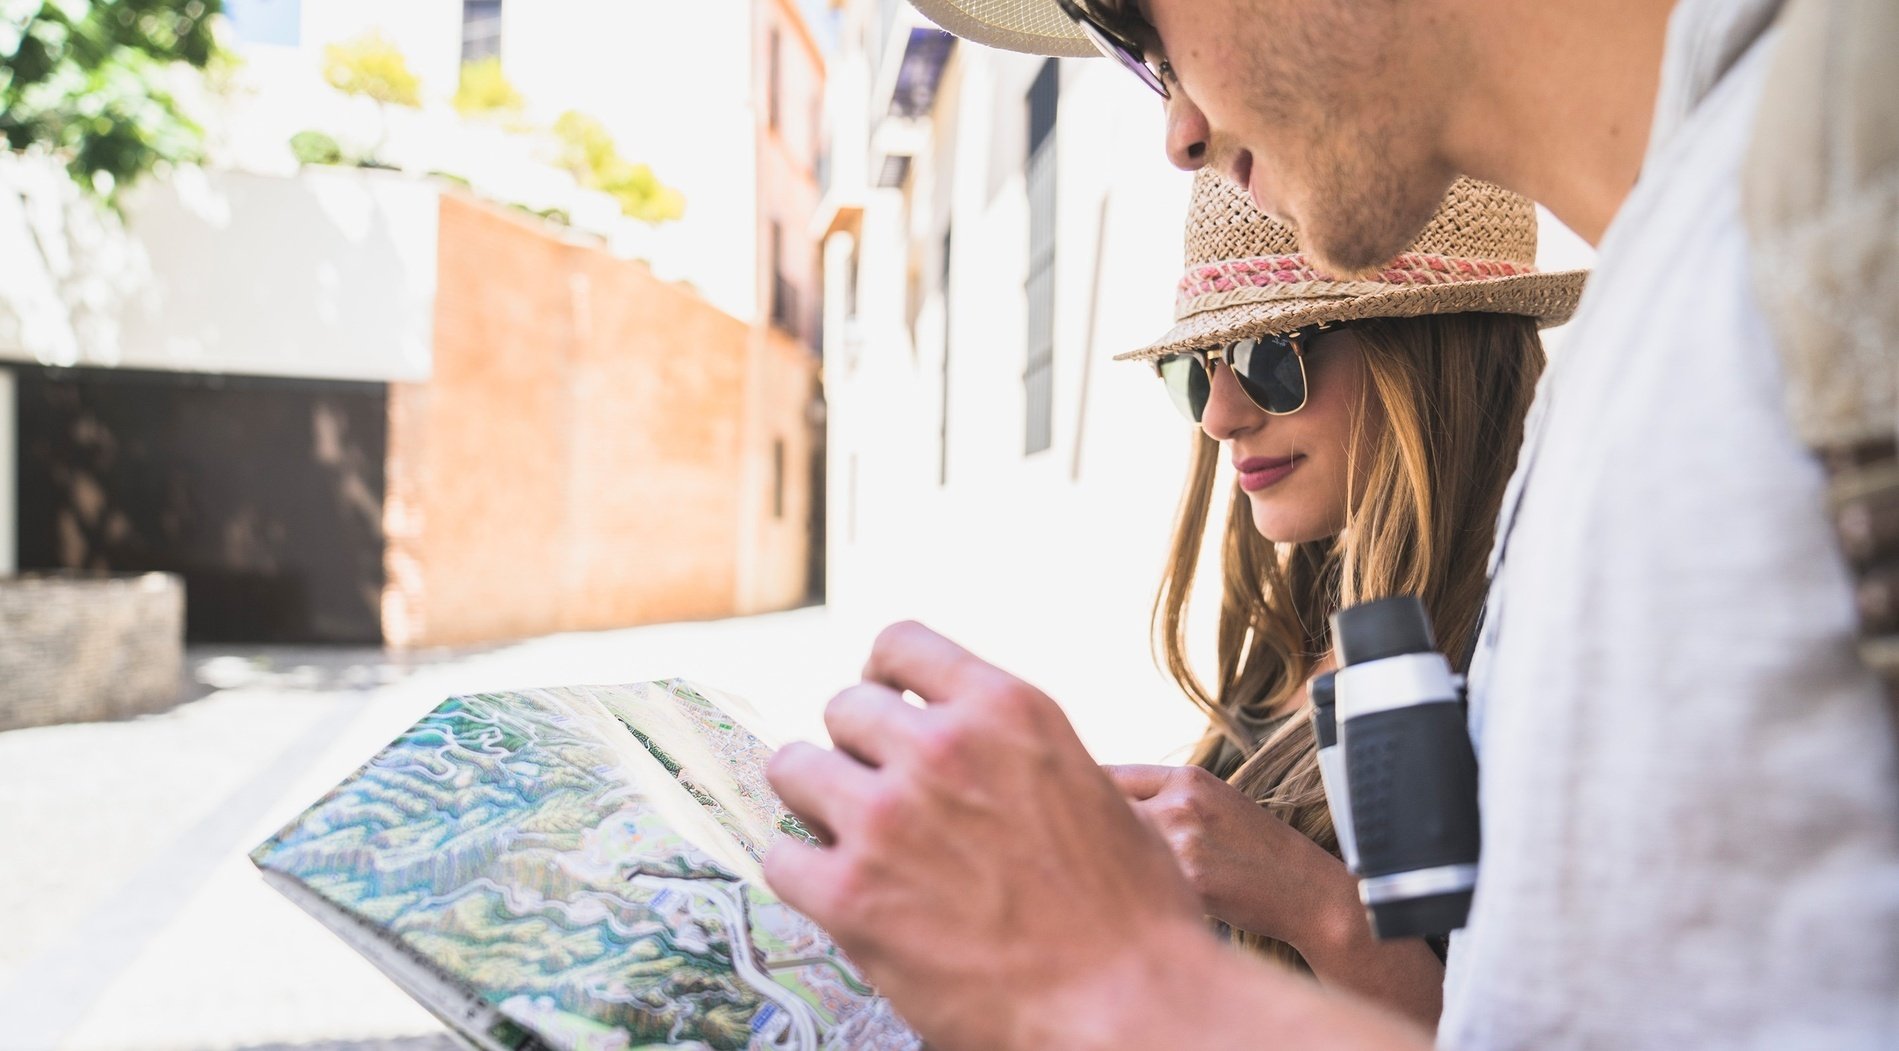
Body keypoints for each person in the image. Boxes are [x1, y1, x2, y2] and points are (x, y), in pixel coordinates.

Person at [764, 1, 1899, 1048]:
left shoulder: (1835, 175)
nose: (1179, 129)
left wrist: (1116, 973)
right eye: (1195, 371)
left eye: (1133, 19)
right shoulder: (1641, 343)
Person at [1102, 169, 1580, 1029]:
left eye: (1269, 357)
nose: (1218, 416)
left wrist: (1313, 906)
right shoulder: (1304, 616)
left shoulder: (1537, 650)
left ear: (1431, 350)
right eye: (1194, 368)